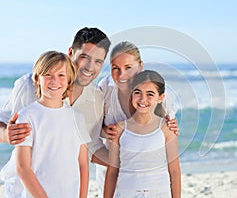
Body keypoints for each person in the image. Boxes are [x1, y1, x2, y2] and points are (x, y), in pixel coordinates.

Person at [0, 27, 111, 164]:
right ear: (70, 52)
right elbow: (3, 123)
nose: (90, 67)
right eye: (84, 57)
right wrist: (6, 134)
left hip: (65, 183)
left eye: (98, 61)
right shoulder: (29, 85)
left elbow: (92, 148)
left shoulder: (96, 97)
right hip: (24, 182)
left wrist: (130, 165)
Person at [2, 51, 91, 197]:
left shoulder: (77, 117)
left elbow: (83, 164)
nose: (54, 81)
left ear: (69, 80)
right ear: (37, 79)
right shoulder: (27, 116)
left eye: (61, 75)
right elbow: (23, 168)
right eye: (48, 74)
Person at [97, 41, 179, 196]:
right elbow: (91, 128)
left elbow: (168, 129)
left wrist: (173, 126)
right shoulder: (105, 89)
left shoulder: (163, 95)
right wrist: (105, 131)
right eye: (116, 68)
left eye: (128, 67)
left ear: (140, 66)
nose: (122, 75)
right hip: (115, 176)